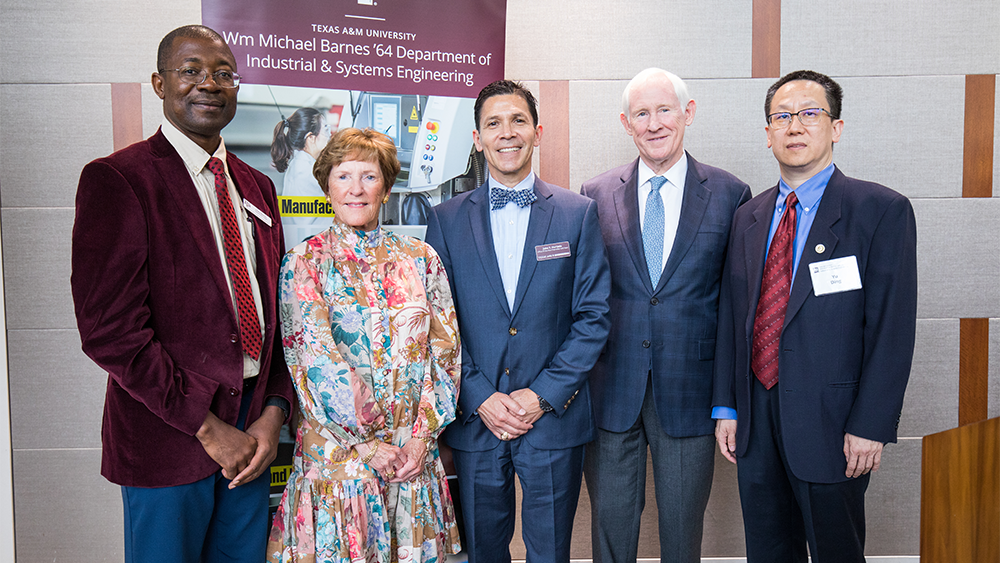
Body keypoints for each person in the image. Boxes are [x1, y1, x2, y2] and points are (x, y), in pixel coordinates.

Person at [70, 24, 293, 563]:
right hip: (169, 436)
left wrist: (273, 413)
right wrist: (207, 426)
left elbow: (279, 315)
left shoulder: (258, 186)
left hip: (252, 440)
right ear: (159, 83)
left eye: (222, 73)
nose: (208, 85)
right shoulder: (119, 179)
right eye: (190, 71)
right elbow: (110, 334)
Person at [712, 70, 917, 562]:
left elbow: (892, 329)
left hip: (834, 422)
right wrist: (727, 406)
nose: (794, 126)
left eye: (809, 113)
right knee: (767, 548)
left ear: (836, 127)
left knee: (835, 551)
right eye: (781, 116)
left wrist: (871, 423)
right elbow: (732, 319)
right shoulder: (749, 217)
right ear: (767, 134)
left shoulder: (879, 210)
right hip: (756, 419)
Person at [424, 80, 612, 563]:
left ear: (537, 131)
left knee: (551, 551)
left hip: (552, 418)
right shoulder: (444, 220)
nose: (507, 133)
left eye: (518, 121)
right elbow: (435, 324)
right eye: (493, 123)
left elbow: (593, 317)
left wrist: (541, 395)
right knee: (483, 551)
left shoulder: (578, 213)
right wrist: (479, 395)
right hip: (476, 418)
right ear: (477, 138)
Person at [267, 127, 462, 563]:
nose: (356, 189)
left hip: (411, 462)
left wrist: (420, 438)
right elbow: (314, 362)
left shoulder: (421, 259)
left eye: (369, 177)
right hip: (343, 464)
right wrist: (369, 445)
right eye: (343, 176)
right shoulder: (304, 263)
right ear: (326, 185)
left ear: (387, 187)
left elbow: (445, 355)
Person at [579, 68, 751, 563]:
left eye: (664, 110)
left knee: (682, 536)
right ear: (626, 123)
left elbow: (735, 308)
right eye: (641, 114)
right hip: (611, 389)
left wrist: (728, 402)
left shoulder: (729, 194)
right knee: (610, 534)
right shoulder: (595, 193)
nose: (654, 124)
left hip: (691, 392)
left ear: (687, 113)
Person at [271, 107, 334, 249]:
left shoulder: (301, 164)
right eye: (325, 129)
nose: (329, 134)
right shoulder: (305, 171)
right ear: (311, 138)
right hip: (308, 249)